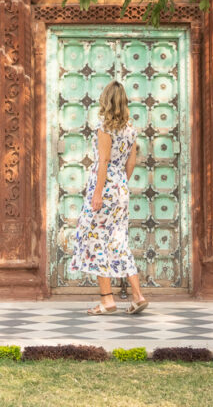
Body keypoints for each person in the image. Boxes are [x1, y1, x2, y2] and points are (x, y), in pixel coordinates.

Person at [69, 79, 149, 315]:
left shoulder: (105, 127)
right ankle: (137, 295)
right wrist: (120, 183)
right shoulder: (130, 128)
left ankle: (107, 300)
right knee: (117, 241)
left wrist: (98, 194)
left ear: (106, 101)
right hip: (120, 189)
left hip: (103, 188)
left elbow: (103, 161)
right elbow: (131, 161)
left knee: (96, 240)